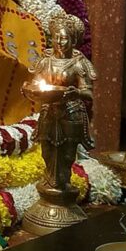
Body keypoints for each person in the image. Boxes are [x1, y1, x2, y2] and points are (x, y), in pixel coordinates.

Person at [30, 11, 96, 191]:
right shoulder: (45, 61)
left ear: (73, 41)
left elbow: (88, 93)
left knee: (67, 154)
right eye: (56, 37)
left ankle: (63, 185)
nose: (59, 42)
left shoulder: (78, 63)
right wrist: (30, 89)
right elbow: (36, 84)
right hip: (49, 111)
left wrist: (77, 93)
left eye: (64, 38)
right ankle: (49, 184)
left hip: (71, 111)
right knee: (46, 151)